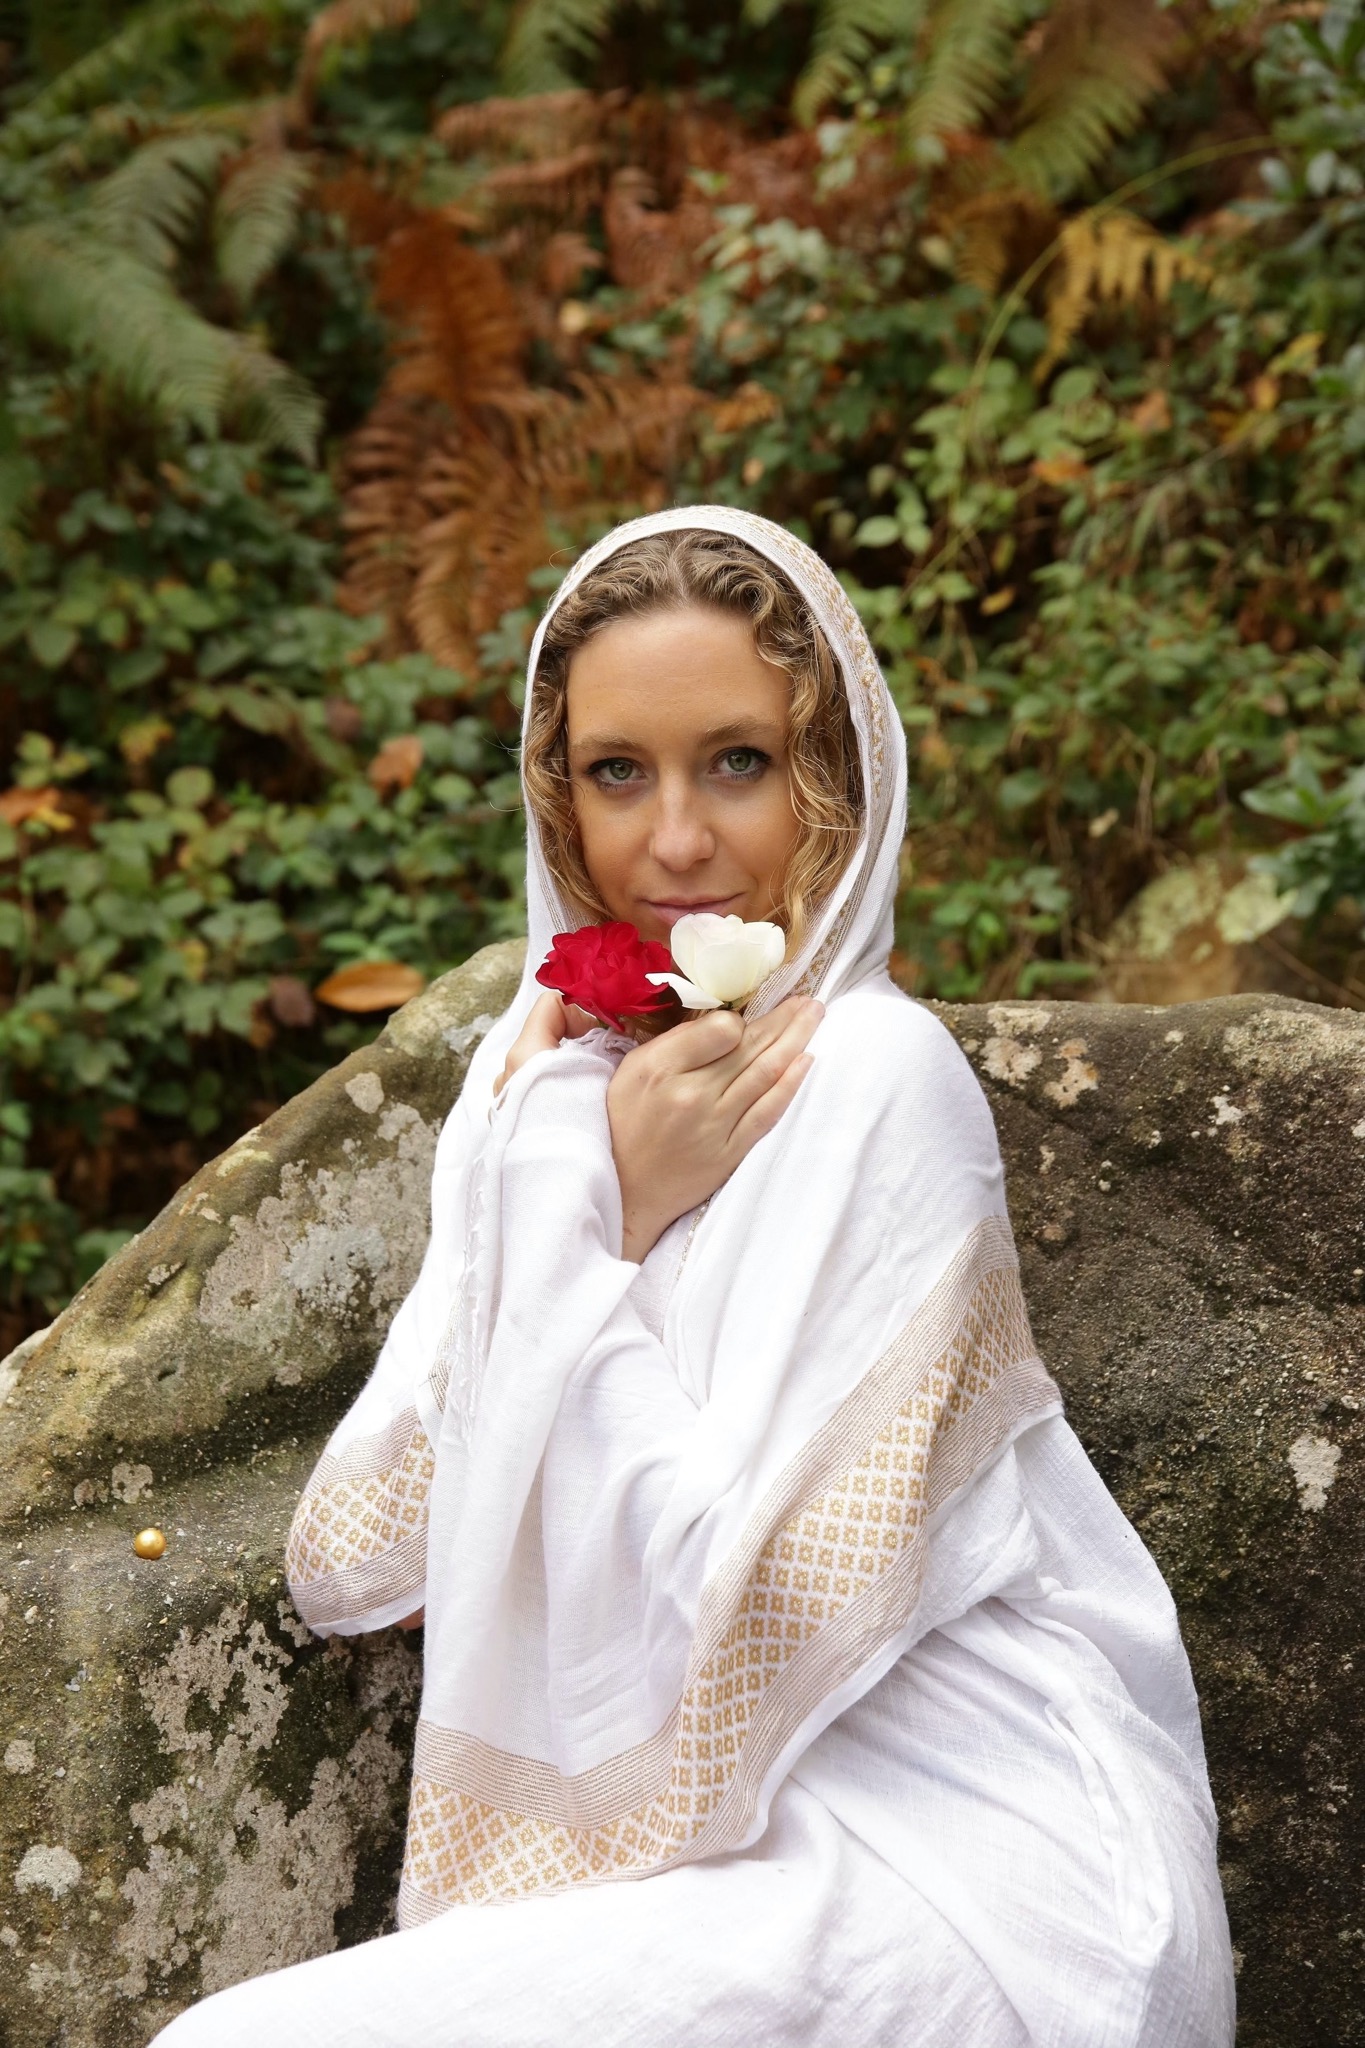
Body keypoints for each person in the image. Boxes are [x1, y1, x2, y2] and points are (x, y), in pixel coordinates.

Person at [153, 509, 1236, 2048]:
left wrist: (585, 1225)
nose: (671, 842)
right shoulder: (538, 1099)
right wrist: (587, 1186)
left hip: (981, 1872)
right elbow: (357, 1555)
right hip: (723, 1871)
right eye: (617, 772)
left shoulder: (873, 1081)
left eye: (736, 761)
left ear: (834, 781)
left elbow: (761, 1623)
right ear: (556, 799)